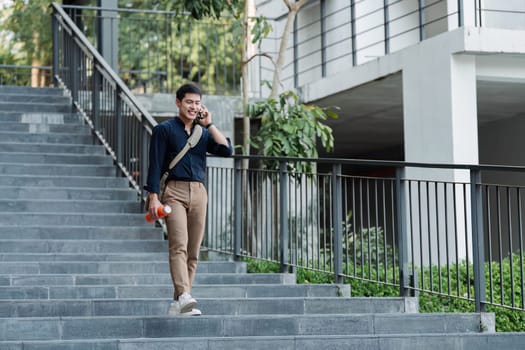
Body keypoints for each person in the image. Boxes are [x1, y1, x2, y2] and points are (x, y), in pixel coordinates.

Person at [144, 83, 233, 316]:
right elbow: (154, 165)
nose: (193, 107)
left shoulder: (202, 133)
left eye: (197, 103)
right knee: (179, 245)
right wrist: (153, 196)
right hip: (174, 192)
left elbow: (226, 150)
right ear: (178, 103)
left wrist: (210, 123)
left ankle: (179, 302)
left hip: (200, 193)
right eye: (188, 102)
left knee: (193, 251)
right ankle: (184, 295)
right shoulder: (164, 130)